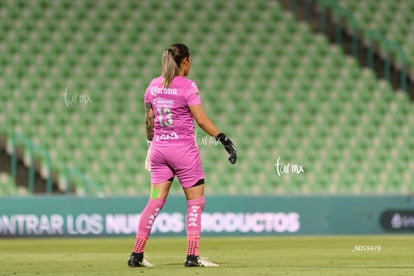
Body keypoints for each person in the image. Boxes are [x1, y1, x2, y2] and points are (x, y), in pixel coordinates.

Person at [127, 43, 237, 268]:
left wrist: (150, 147)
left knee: (154, 202)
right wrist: (224, 139)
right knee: (195, 203)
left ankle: (136, 254)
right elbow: (202, 120)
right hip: (184, 153)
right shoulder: (188, 86)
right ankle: (192, 255)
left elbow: (149, 120)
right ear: (185, 61)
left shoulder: (153, 86)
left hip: (159, 151)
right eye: (190, 62)